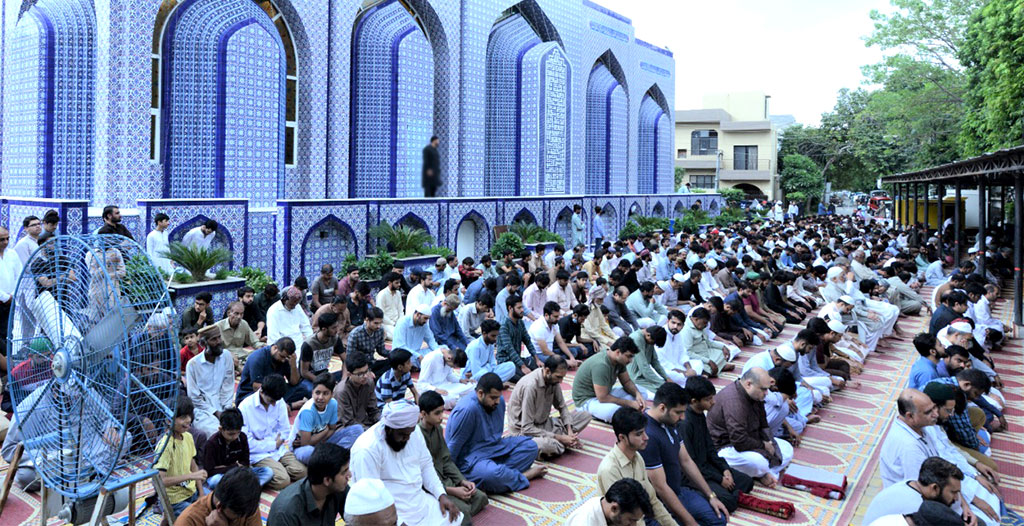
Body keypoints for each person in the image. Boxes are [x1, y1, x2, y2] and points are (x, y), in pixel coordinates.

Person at [879, 389, 998, 526]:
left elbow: (943, 467)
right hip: (915, 509)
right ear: (910, 416)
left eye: (934, 408)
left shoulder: (924, 427)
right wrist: (962, 505)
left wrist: (964, 504)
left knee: (988, 507)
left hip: (934, 494)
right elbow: (925, 494)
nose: (935, 414)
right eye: (928, 412)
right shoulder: (909, 448)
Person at [351, 400, 463, 526]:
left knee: (455, 517)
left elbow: (426, 465)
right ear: (389, 429)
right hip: (391, 512)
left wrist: (440, 494)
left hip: (419, 501)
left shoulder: (413, 432)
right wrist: (397, 522)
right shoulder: (367, 449)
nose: (408, 438)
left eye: (410, 433)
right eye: (402, 434)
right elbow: (370, 496)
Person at [641, 383, 730, 526]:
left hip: (678, 492)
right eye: (678, 412)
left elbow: (686, 461)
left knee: (719, 520)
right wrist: (690, 523)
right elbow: (661, 487)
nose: (683, 417)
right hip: (658, 505)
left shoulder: (671, 424)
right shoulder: (647, 435)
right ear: (662, 408)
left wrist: (711, 496)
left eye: (684, 412)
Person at [446, 373, 545, 494]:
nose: (497, 401)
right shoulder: (467, 410)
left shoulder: (499, 402)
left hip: (495, 449)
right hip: (471, 459)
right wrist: (454, 479)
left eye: (499, 397)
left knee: (531, 447)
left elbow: (496, 438)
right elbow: (453, 448)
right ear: (480, 393)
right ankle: (524, 476)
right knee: (492, 474)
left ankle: (501, 475)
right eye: (493, 398)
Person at [706, 368, 793, 487]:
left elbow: (763, 425)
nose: (767, 393)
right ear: (748, 384)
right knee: (759, 463)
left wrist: (769, 442)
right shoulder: (734, 402)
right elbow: (739, 441)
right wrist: (763, 446)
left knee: (787, 448)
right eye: (764, 389)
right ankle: (764, 473)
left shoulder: (754, 394)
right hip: (725, 447)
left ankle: (764, 473)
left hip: (749, 439)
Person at [681, 376, 754, 512]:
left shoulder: (700, 414)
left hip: (708, 467)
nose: (713, 402)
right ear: (694, 401)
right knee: (730, 502)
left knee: (747, 482)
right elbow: (691, 463)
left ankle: (721, 489)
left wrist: (725, 469)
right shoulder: (685, 423)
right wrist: (720, 479)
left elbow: (710, 448)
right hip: (694, 474)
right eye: (708, 399)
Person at [595, 406, 675, 526]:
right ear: (622, 437)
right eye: (639, 434)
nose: (646, 438)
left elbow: (652, 500)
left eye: (644, 432)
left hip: (640, 517)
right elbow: (623, 518)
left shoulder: (637, 458)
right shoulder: (610, 469)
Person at [419, 391, 489, 524]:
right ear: (423, 414)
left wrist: (462, 481)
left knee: (481, 497)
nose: (442, 417)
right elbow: (422, 478)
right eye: (437, 413)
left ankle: (455, 515)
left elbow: (446, 460)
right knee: (464, 513)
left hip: (447, 480)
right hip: (432, 487)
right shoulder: (416, 436)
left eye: (442, 411)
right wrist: (452, 491)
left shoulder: (437, 429)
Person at [507, 355, 592, 457]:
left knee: (585, 416)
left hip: (545, 425)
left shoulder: (553, 381)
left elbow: (562, 407)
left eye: (563, 377)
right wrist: (560, 438)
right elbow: (527, 429)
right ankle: (560, 443)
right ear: (547, 371)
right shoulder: (530, 386)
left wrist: (569, 431)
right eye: (558, 377)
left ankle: (563, 441)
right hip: (524, 433)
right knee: (547, 445)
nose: (561, 381)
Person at [237, 373, 307, 490]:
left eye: (276, 401)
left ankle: (276, 469)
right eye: (271, 400)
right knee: (282, 481)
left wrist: (277, 443)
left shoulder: (278, 401)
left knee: (302, 472)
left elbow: (284, 430)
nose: (274, 404)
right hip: (259, 454)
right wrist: (273, 444)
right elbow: (248, 444)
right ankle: (261, 471)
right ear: (261, 391)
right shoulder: (245, 407)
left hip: (278, 449)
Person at [267, 443, 351, 526]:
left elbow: (357, 518)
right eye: (344, 472)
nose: (349, 475)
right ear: (327, 480)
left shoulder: (338, 487)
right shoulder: (286, 512)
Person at [290, 374, 364, 463]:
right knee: (309, 452)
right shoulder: (308, 412)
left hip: (322, 443)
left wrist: (323, 435)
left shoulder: (333, 404)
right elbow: (305, 443)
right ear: (312, 392)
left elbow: (332, 429)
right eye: (317, 393)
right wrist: (325, 431)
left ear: (332, 394)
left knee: (357, 429)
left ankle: (330, 460)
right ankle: (334, 460)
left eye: (325, 393)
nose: (320, 398)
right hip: (302, 448)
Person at [571, 336, 645, 422]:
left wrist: (637, 395)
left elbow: (627, 382)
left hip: (604, 393)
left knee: (642, 391)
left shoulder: (620, 360)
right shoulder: (601, 365)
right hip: (587, 401)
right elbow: (603, 398)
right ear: (618, 352)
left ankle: (625, 408)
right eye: (629, 356)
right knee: (613, 411)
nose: (631, 360)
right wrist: (630, 403)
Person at [155, 400, 206, 516]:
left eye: (189, 416)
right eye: (183, 417)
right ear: (169, 420)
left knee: (217, 503)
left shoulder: (188, 437)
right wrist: (191, 476)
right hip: (174, 500)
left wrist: (201, 493)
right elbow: (161, 481)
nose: (188, 420)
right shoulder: (164, 446)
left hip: (191, 492)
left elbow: (193, 466)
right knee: (200, 517)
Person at [201, 408, 274, 490]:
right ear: (221, 429)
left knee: (268, 472)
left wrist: (226, 467)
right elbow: (209, 471)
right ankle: (246, 488)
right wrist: (234, 466)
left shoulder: (242, 437)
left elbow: (245, 463)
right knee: (215, 480)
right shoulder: (212, 443)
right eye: (231, 434)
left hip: (238, 474)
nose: (235, 437)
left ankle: (240, 489)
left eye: (237, 433)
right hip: (223, 475)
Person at [185, 324, 235, 437]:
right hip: (203, 410)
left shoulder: (226, 356)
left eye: (219, 337)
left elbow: (228, 386)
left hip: (225, 405)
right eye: (214, 339)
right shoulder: (192, 364)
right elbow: (194, 398)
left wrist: (226, 410)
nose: (218, 342)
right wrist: (216, 412)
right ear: (203, 344)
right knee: (215, 433)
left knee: (240, 428)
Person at [174, 467, 262, 526]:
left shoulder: (248, 507)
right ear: (219, 506)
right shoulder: (188, 521)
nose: (243, 518)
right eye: (238, 516)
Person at [235, 337, 307, 406]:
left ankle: (278, 404)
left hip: (275, 390)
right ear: (275, 348)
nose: (283, 360)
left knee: (302, 389)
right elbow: (256, 387)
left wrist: (293, 365)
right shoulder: (258, 358)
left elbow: (294, 383)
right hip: (252, 393)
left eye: (286, 358)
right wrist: (278, 400)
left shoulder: (286, 359)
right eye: (282, 356)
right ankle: (287, 405)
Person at [567, 477, 652, 526]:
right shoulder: (584, 522)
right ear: (614, 508)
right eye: (631, 520)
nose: (634, 525)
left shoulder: (606, 510)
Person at [496, 294, 540, 382]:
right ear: (510, 308)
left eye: (522, 307)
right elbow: (509, 349)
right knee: (525, 379)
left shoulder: (520, 323)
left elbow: (527, 341)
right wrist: (522, 366)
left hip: (518, 360)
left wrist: (537, 359)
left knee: (539, 370)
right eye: (519, 308)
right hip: (506, 362)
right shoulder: (504, 325)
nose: (522, 310)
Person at [298, 312, 345, 391]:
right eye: (333, 328)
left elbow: (346, 360)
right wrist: (323, 383)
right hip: (310, 378)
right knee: (314, 391)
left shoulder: (335, 339)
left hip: (325, 374)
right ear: (324, 329)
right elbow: (304, 372)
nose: (337, 330)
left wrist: (344, 378)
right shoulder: (309, 344)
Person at [334, 352, 381, 429]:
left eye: (367, 371)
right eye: (360, 374)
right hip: (345, 428)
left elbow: (373, 410)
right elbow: (348, 422)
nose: (365, 376)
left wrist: (383, 421)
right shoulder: (342, 391)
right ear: (349, 374)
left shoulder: (369, 383)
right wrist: (369, 431)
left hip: (364, 422)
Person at [529, 301, 582, 369]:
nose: (558, 319)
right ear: (546, 315)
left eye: (558, 316)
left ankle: (565, 362)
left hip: (551, 352)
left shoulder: (554, 324)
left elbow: (560, 342)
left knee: (573, 351)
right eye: (555, 316)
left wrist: (571, 358)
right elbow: (545, 351)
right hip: (539, 355)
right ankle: (564, 363)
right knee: (554, 361)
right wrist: (565, 360)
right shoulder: (538, 326)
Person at [681, 307, 732, 377]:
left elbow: (708, 342)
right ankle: (709, 371)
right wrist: (708, 361)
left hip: (706, 352)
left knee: (721, 352)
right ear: (696, 319)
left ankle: (713, 369)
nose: (706, 326)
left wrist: (722, 347)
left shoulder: (701, 326)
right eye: (704, 323)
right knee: (699, 365)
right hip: (696, 356)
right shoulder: (686, 330)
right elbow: (688, 353)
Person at [656, 310, 704, 383]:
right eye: (673, 323)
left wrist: (689, 369)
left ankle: (689, 379)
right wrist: (684, 373)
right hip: (666, 369)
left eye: (679, 324)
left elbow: (682, 353)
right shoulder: (661, 334)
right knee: (671, 375)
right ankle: (690, 380)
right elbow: (662, 362)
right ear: (667, 321)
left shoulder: (678, 334)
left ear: (683, 326)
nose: (675, 326)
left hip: (678, 366)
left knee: (699, 363)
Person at [626, 325, 671, 400]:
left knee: (667, 389)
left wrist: (666, 378)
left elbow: (655, 362)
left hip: (643, 375)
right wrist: (662, 383)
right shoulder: (636, 339)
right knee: (664, 393)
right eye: (653, 343)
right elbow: (644, 368)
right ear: (648, 335)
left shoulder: (649, 338)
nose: (653, 345)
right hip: (634, 378)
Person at [215, 301, 260, 369]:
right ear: (229, 313)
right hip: (226, 358)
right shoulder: (218, 327)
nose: (239, 317)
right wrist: (228, 354)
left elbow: (254, 342)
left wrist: (262, 349)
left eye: (241, 314)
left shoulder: (244, 324)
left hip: (243, 356)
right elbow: (215, 349)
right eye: (236, 313)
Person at [394, 304, 443, 368]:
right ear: (418, 315)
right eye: (425, 318)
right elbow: (400, 346)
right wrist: (418, 356)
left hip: (417, 353)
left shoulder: (423, 325)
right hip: (402, 354)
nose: (426, 321)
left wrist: (439, 352)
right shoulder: (402, 322)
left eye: (427, 319)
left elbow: (430, 340)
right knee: (404, 360)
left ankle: (418, 366)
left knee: (443, 348)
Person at [347, 306, 389, 377]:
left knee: (394, 364)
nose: (378, 326)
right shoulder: (355, 334)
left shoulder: (380, 330)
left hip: (372, 363)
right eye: (376, 323)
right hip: (360, 367)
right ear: (367, 320)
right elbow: (351, 358)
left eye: (380, 323)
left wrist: (395, 355)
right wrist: (367, 371)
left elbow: (382, 351)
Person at [376, 271, 405, 340]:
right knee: (398, 336)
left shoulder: (398, 293)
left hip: (398, 323)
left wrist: (400, 322)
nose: (399, 285)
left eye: (399, 282)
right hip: (386, 324)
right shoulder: (382, 295)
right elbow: (381, 314)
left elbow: (400, 310)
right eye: (396, 283)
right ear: (390, 283)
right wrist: (393, 323)